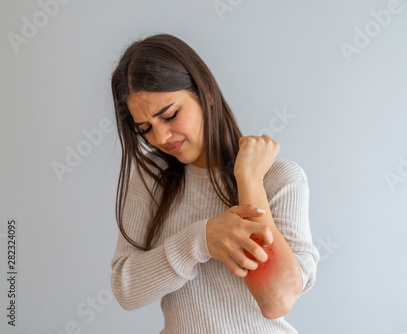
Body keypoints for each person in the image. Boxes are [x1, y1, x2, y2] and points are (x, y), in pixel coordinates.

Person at [109, 33, 320, 334]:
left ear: (206, 93)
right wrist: (201, 239)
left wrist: (248, 179)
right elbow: (125, 289)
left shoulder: (279, 178)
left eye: (169, 115)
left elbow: (276, 299)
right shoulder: (151, 178)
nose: (160, 138)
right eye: (145, 129)